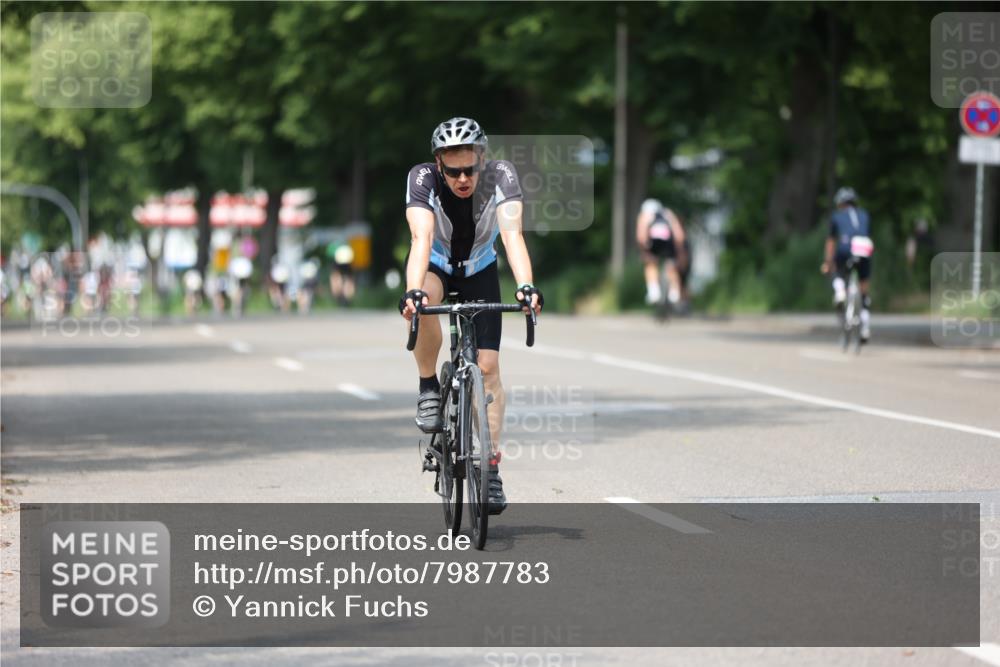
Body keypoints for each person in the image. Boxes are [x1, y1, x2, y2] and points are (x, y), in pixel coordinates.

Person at [399, 117, 543, 515]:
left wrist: (526, 286)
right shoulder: (422, 178)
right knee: (424, 300)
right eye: (453, 171)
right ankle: (429, 386)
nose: (462, 178)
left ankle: (491, 469)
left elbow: (513, 235)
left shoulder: (501, 175)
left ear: (482, 159)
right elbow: (420, 238)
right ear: (438, 164)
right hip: (438, 265)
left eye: (470, 169)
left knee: (489, 366)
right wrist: (413, 292)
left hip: (480, 268)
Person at [822, 186, 873, 343]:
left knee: (836, 268)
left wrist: (828, 262)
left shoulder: (837, 216)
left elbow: (831, 242)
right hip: (864, 247)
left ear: (840, 203)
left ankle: (839, 292)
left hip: (846, 247)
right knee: (864, 287)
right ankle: (865, 326)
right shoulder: (864, 215)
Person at [636, 198, 688, 308]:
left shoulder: (645, 215)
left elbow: (641, 236)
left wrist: (644, 251)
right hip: (669, 242)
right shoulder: (668, 214)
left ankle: (653, 291)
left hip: (654, 242)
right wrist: (680, 252)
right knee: (672, 266)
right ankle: (674, 293)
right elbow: (679, 235)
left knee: (651, 264)